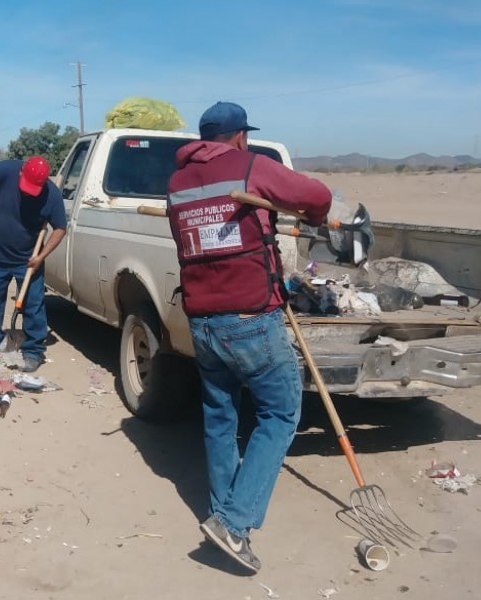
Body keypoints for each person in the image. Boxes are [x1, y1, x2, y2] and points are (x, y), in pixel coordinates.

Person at [166, 102, 332, 572]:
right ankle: (234, 524)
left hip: (201, 318)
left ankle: (222, 516)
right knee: (280, 412)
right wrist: (313, 217)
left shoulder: (176, 183)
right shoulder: (252, 166)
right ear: (239, 136)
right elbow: (316, 195)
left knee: (220, 417)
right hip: (249, 318)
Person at [0, 156, 67, 372]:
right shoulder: (7, 170)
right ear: (21, 172)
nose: (29, 192)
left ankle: (33, 350)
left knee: (33, 306)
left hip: (28, 261)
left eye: (34, 188)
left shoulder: (52, 195)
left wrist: (41, 256)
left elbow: (60, 228)